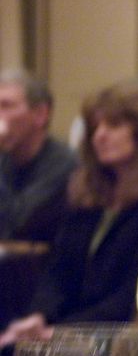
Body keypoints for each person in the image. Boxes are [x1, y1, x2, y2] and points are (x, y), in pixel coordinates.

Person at [0, 79, 138, 346]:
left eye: (113, 126)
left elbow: (136, 293)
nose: (98, 136)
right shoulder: (90, 193)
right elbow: (59, 272)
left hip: (123, 343)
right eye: (95, 127)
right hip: (67, 333)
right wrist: (39, 316)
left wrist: (61, 332)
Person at [0, 69, 76, 242]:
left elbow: (15, 224)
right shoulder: (5, 158)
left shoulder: (64, 164)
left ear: (41, 114)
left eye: (6, 106)